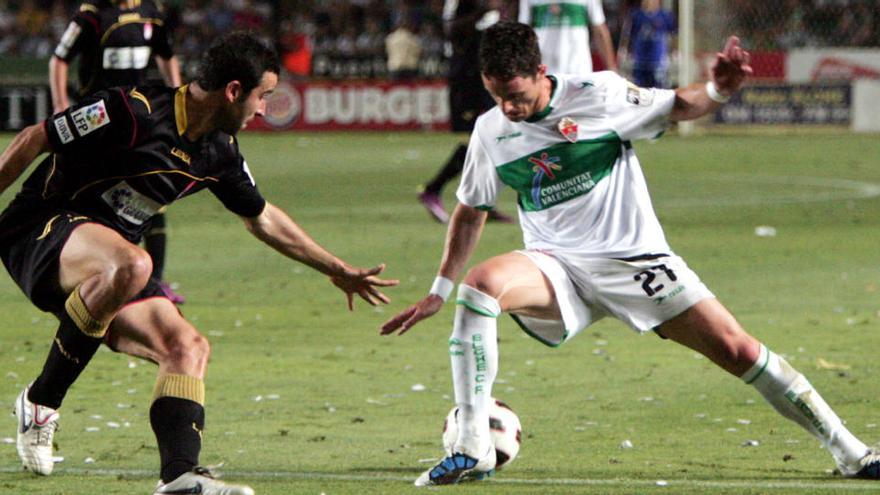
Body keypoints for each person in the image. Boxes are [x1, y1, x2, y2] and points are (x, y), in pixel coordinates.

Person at [381, 21, 880, 486]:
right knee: (481, 287)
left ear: (540, 72)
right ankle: (472, 448)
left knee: (739, 351)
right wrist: (438, 291)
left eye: (515, 96)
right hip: (557, 267)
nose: (508, 108)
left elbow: (679, 107)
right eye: (497, 97)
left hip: (635, 263)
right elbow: (470, 211)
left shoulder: (600, 95)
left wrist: (719, 90)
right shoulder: (491, 132)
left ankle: (852, 452)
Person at [3, 32, 397, 494]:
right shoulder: (131, 110)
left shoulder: (219, 152)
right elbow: (36, 137)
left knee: (186, 347)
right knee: (134, 265)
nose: (264, 109)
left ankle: (180, 478)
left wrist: (336, 268)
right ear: (233, 91)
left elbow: (263, 218)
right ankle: (43, 402)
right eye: (263, 96)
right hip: (39, 228)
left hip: (113, 262)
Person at [49, 0, 185, 304]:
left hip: (138, 118)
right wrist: (60, 106)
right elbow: (59, 59)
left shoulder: (151, 11)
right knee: (95, 197)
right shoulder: (92, 14)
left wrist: (178, 94)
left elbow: (167, 55)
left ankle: (156, 284)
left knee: (153, 194)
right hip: (97, 117)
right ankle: (92, 273)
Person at [417, 0, 513, 225]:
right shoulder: (466, 3)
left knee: (494, 139)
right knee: (483, 140)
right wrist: (484, 10)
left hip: (487, 77)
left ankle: (481, 204)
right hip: (468, 79)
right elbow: (452, 30)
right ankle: (434, 189)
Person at [518, 0, 618, 75]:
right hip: (544, 72)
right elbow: (523, 33)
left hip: (578, 70)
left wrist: (612, 68)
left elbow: (599, 31)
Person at [621, 0, 677, 88]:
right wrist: (626, 52)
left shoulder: (665, 16)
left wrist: (673, 52)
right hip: (640, 63)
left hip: (658, 63)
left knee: (659, 90)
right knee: (639, 90)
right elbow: (628, 36)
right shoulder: (635, 15)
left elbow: (673, 35)